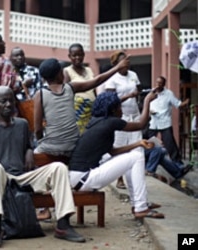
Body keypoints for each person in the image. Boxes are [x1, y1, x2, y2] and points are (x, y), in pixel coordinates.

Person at [0, 86, 86, 248]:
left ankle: (63, 224)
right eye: (2, 101)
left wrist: (28, 151)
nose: (7, 104)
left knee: (59, 168)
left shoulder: (22, 124)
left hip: (21, 177)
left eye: (11, 100)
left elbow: (27, 145)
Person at [68, 91, 165, 219]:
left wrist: (138, 144)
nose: (122, 111)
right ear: (113, 110)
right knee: (137, 157)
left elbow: (112, 152)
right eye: (120, 107)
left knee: (132, 158)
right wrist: (147, 100)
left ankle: (138, 203)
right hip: (85, 178)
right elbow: (141, 124)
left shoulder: (97, 122)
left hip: (79, 178)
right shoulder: (111, 122)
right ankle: (141, 208)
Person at [34, 57, 129, 157]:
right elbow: (97, 81)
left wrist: (41, 142)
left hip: (50, 148)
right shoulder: (70, 87)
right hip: (73, 146)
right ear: (60, 73)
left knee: (33, 156)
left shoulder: (39, 94)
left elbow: (38, 129)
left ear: (44, 78)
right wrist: (117, 67)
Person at [103, 50, 142, 189]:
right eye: (123, 60)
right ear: (116, 63)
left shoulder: (133, 75)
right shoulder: (112, 78)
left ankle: (135, 178)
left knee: (136, 147)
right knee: (120, 148)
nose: (127, 63)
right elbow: (110, 101)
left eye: (127, 60)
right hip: (120, 116)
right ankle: (119, 178)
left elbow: (138, 89)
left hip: (134, 114)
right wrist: (128, 96)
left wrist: (138, 93)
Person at [148, 76, 189, 163]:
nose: (158, 85)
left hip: (165, 122)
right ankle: (148, 160)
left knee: (169, 143)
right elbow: (146, 104)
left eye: (160, 83)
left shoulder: (169, 93)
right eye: (157, 83)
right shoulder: (151, 93)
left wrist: (185, 103)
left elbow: (177, 104)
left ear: (164, 84)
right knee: (148, 141)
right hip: (153, 122)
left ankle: (177, 162)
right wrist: (149, 111)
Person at [63, 43, 96, 134]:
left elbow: (94, 89)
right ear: (69, 56)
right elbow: (66, 94)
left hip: (91, 112)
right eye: (74, 55)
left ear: (84, 55)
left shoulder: (89, 70)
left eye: (80, 55)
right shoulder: (67, 71)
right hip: (77, 113)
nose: (77, 58)